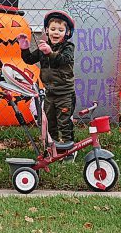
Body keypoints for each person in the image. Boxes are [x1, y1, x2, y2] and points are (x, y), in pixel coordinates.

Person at [17, 10, 77, 162]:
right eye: (53, 29)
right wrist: (24, 48)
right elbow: (30, 60)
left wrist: (50, 53)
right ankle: (55, 148)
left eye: (60, 30)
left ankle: (69, 150)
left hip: (65, 93)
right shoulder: (44, 47)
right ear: (46, 31)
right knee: (50, 122)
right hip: (49, 93)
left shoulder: (68, 47)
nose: (56, 33)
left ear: (67, 33)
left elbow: (63, 60)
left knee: (64, 121)